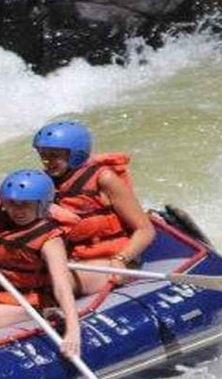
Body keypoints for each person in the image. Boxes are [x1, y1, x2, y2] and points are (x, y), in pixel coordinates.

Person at [31, 120, 154, 294]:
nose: (46, 161)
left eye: (53, 155)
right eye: (43, 155)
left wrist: (121, 259)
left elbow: (145, 230)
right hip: (73, 260)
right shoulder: (45, 184)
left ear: (75, 155)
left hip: (112, 261)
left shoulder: (104, 179)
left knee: (56, 282)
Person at [0, 170, 82, 359]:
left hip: (26, 300)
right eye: (12, 204)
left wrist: (73, 331)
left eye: (26, 205)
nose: (17, 211)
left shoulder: (50, 239)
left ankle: (44, 314)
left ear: (42, 205)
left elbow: (61, 284)